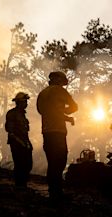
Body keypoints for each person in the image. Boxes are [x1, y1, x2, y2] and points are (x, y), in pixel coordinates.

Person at [37, 71, 78, 200]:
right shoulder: (60, 91)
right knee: (60, 161)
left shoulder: (43, 93)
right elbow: (74, 107)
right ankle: (57, 193)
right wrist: (66, 112)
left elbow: (44, 111)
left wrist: (62, 115)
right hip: (58, 132)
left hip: (46, 132)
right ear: (60, 81)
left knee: (52, 162)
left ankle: (53, 191)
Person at [5, 92, 33, 188]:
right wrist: (21, 142)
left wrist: (28, 143)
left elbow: (24, 131)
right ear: (20, 102)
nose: (26, 104)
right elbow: (10, 131)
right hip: (16, 144)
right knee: (20, 164)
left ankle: (23, 184)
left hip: (24, 142)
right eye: (25, 101)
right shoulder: (12, 114)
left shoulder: (22, 114)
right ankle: (20, 186)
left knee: (28, 164)